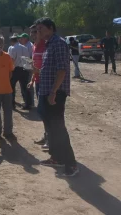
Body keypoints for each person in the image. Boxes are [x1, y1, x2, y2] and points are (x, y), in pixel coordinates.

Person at [34, 17, 79, 177]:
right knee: (51, 128)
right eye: (37, 30)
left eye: (41, 29)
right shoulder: (48, 45)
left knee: (58, 128)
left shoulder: (58, 43)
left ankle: (71, 164)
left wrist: (53, 92)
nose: (38, 32)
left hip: (55, 93)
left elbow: (62, 70)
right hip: (47, 92)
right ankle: (56, 157)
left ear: (51, 28)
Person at [28, 27, 48, 150]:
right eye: (32, 32)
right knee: (42, 112)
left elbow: (48, 69)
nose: (33, 34)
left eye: (35, 32)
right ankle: (46, 136)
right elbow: (35, 67)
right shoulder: (34, 47)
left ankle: (50, 139)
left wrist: (37, 72)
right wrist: (32, 80)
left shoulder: (46, 46)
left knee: (46, 112)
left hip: (46, 83)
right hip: (39, 82)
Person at [8, 34, 32, 110]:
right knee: (25, 87)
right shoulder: (25, 48)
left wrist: (9, 69)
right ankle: (28, 104)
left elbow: (11, 60)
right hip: (24, 69)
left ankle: (12, 104)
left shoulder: (12, 48)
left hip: (15, 69)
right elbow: (28, 59)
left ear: (12, 41)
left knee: (11, 86)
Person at [19, 33, 35, 106]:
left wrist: (24, 58)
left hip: (29, 68)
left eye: (21, 38)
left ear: (25, 38)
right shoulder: (26, 45)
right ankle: (28, 101)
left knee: (29, 85)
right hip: (26, 67)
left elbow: (32, 58)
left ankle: (30, 102)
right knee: (26, 85)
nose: (20, 39)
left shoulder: (30, 45)